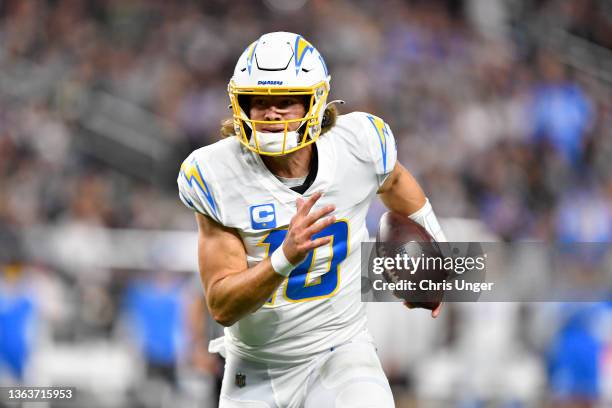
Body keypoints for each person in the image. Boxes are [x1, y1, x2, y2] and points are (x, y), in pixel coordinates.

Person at [177, 32, 446, 408]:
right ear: (241, 106)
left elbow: (397, 181)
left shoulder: (358, 145)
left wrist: (438, 256)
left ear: (315, 102)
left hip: (339, 349)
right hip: (257, 367)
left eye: (286, 102)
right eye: (259, 103)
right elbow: (222, 305)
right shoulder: (215, 174)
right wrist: (285, 255)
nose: (271, 114)